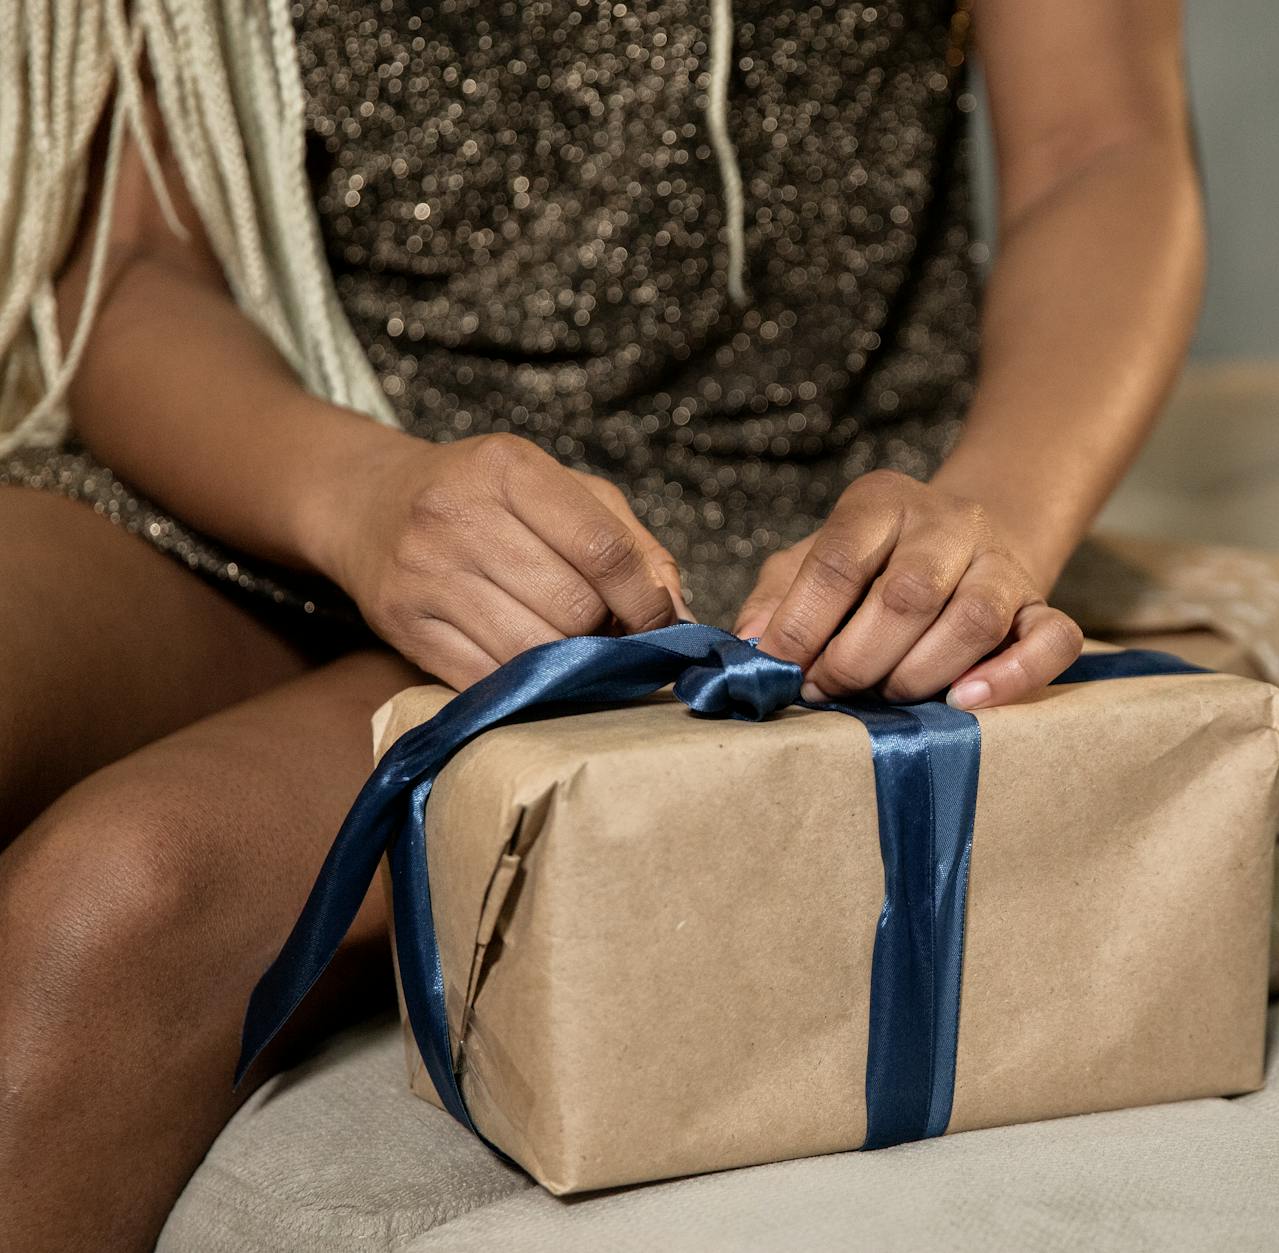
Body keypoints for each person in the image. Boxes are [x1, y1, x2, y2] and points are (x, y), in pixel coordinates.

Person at [0, 1, 1202, 1246]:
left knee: (115, 900)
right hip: (292, 448)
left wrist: (991, 518)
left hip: (747, 537)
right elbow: (131, 261)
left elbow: (1099, 143)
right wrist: (356, 495)